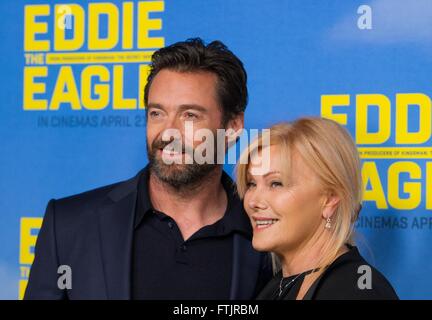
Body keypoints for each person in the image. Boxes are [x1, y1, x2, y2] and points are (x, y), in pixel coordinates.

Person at [25, 38, 272, 300]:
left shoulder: (268, 231)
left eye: (189, 115)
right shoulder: (69, 226)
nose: (168, 132)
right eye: (157, 113)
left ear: (232, 126)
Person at [236, 117, 398, 300]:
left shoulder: (358, 291)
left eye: (276, 183)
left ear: (330, 199)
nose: (253, 201)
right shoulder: (277, 287)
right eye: (251, 184)